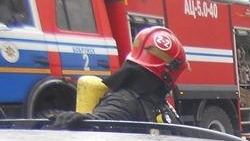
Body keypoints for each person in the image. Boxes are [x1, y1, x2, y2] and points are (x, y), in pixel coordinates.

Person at [50, 26, 187, 128]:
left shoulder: (156, 102)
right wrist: (79, 122)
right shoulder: (125, 102)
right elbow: (101, 121)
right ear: (168, 71)